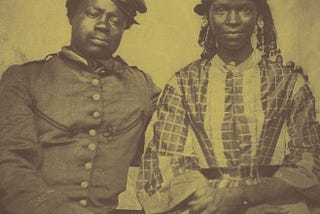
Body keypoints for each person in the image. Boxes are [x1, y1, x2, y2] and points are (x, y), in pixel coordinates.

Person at [136, 0, 320, 213]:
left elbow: (308, 162)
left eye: (244, 9)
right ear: (208, 17)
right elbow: (166, 159)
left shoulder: (289, 83)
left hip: (275, 203)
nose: (233, 20)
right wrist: (214, 199)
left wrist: (245, 196)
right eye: (222, 9)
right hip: (206, 203)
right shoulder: (183, 84)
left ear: (259, 18)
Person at [0, 0, 160, 213]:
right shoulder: (25, 79)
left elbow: (178, 138)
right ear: (71, 15)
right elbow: (9, 164)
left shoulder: (143, 87)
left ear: (125, 27)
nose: (103, 25)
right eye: (93, 13)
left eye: (115, 20)